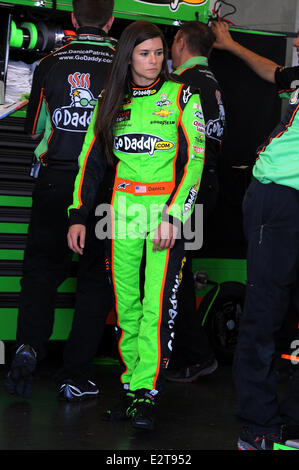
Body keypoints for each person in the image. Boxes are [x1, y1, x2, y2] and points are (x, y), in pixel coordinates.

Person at [67, 19, 205, 430]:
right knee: (125, 304)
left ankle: (146, 391)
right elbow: (89, 161)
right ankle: (131, 388)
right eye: (145, 53)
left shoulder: (183, 94)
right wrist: (77, 215)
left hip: (165, 211)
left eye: (160, 52)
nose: (154, 60)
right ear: (128, 55)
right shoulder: (111, 98)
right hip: (120, 211)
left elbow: (195, 161)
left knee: (155, 306)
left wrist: (175, 215)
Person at [4, 0, 116, 402]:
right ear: (110, 21)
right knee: (94, 277)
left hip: (55, 178)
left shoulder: (51, 61)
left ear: (72, 19)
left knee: (39, 271)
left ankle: (29, 348)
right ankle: (76, 374)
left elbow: (34, 128)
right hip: (104, 187)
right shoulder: (126, 63)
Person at [211, 20, 299, 450]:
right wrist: (228, 44)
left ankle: (293, 426)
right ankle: (259, 426)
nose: (297, 41)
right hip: (277, 199)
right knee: (265, 312)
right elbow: (274, 72)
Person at [165, 21, 225, 383]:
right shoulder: (213, 82)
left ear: (179, 41)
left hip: (188, 190)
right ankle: (188, 353)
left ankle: (196, 355)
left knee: (175, 274)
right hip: (209, 187)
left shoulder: (181, 84)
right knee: (179, 272)